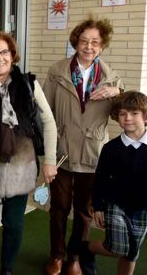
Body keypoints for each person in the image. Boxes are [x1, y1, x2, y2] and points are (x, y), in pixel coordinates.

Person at [0, 32, 58, 275]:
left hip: (22, 164)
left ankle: (8, 267)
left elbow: (48, 121)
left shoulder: (29, 84)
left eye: (4, 52)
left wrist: (50, 160)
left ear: (12, 55)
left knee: (15, 222)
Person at [43, 17, 123, 275]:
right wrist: (45, 152)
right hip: (62, 150)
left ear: (102, 46)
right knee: (59, 208)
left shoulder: (111, 77)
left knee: (84, 211)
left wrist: (118, 93)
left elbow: (120, 115)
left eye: (95, 42)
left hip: (92, 152)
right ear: (76, 42)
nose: (89, 46)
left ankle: (74, 256)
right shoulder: (57, 71)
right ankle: (57, 255)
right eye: (84, 40)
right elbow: (45, 112)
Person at [80, 91, 147, 275]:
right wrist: (98, 206)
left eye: (134, 114)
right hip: (115, 204)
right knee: (118, 247)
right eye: (123, 113)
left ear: (145, 117)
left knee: (131, 252)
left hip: (142, 209)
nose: (127, 118)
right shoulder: (111, 148)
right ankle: (86, 249)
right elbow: (100, 179)